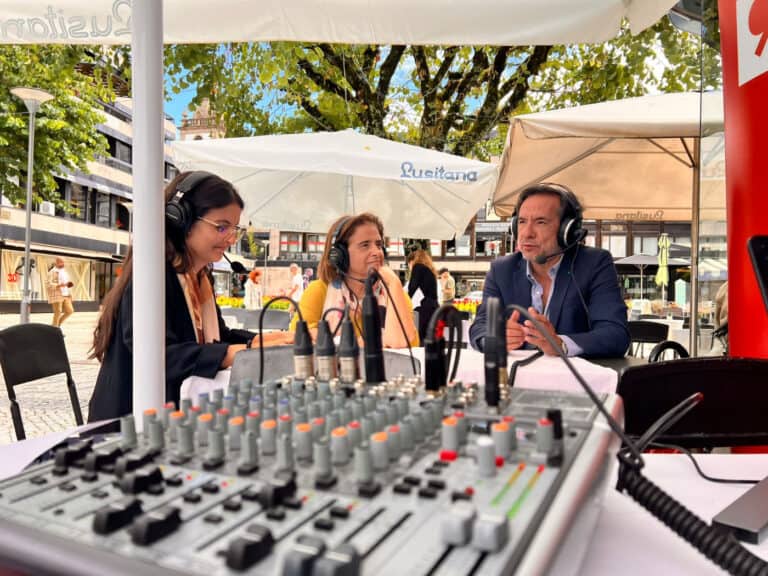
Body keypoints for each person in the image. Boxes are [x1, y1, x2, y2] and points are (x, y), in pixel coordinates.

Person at [88, 171, 293, 421]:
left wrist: (277, 339)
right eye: (221, 227)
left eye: (234, 229)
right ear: (179, 219)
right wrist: (244, 350)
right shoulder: (152, 277)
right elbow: (158, 355)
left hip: (173, 413)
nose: (230, 238)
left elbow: (219, 336)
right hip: (127, 423)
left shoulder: (198, 277)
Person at [469, 183, 629, 357]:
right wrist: (495, 338)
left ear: (567, 230)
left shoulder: (595, 264)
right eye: (522, 222)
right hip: (516, 379)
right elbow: (480, 326)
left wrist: (560, 344)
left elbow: (615, 335)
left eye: (541, 222)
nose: (527, 233)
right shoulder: (501, 270)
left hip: (575, 380)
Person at [291, 213, 418, 348]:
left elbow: (406, 346)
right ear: (339, 255)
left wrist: (393, 283)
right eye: (365, 245)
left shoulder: (396, 294)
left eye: (379, 245)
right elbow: (295, 339)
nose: (377, 252)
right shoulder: (318, 291)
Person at [406, 249, 440, 344]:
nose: (409, 267)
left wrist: (405, 303)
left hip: (427, 308)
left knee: (419, 336)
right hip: (434, 308)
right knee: (430, 339)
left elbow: (412, 288)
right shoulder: (429, 270)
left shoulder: (418, 267)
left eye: (409, 264)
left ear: (413, 260)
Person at [48, 257, 75, 327]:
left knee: (70, 311)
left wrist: (71, 293)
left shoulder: (65, 272)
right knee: (58, 312)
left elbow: (67, 283)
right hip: (57, 294)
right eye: (62, 262)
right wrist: (59, 285)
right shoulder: (52, 272)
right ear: (57, 262)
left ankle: (56, 325)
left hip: (66, 295)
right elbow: (48, 284)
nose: (63, 264)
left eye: (64, 262)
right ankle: (54, 329)